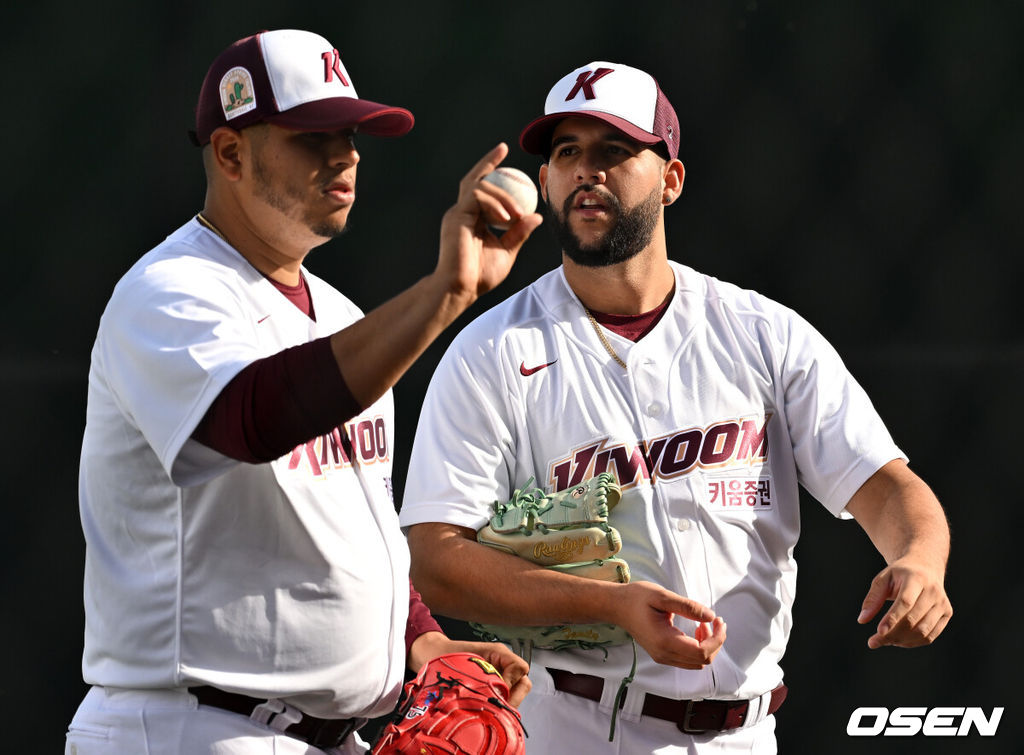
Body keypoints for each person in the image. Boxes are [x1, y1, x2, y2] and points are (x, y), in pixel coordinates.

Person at [398, 61, 953, 753]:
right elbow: (434, 556)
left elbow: (888, 485)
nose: (586, 172)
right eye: (567, 153)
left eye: (615, 151)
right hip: (577, 726)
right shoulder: (491, 352)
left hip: (744, 734)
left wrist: (920, 561)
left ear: (671, 179)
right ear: (544, 181)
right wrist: (610, 605)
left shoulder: (762, 333)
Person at [65, 29, 541, 755]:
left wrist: (425, 639)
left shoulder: (344, 316)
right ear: (230, 153)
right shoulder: (169, 292)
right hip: (193, 725)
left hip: (319, 734)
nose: (345, 154)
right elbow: (253, 417)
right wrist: (443, 297)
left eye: (350, 133)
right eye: (314, 136)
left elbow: (360, 525)